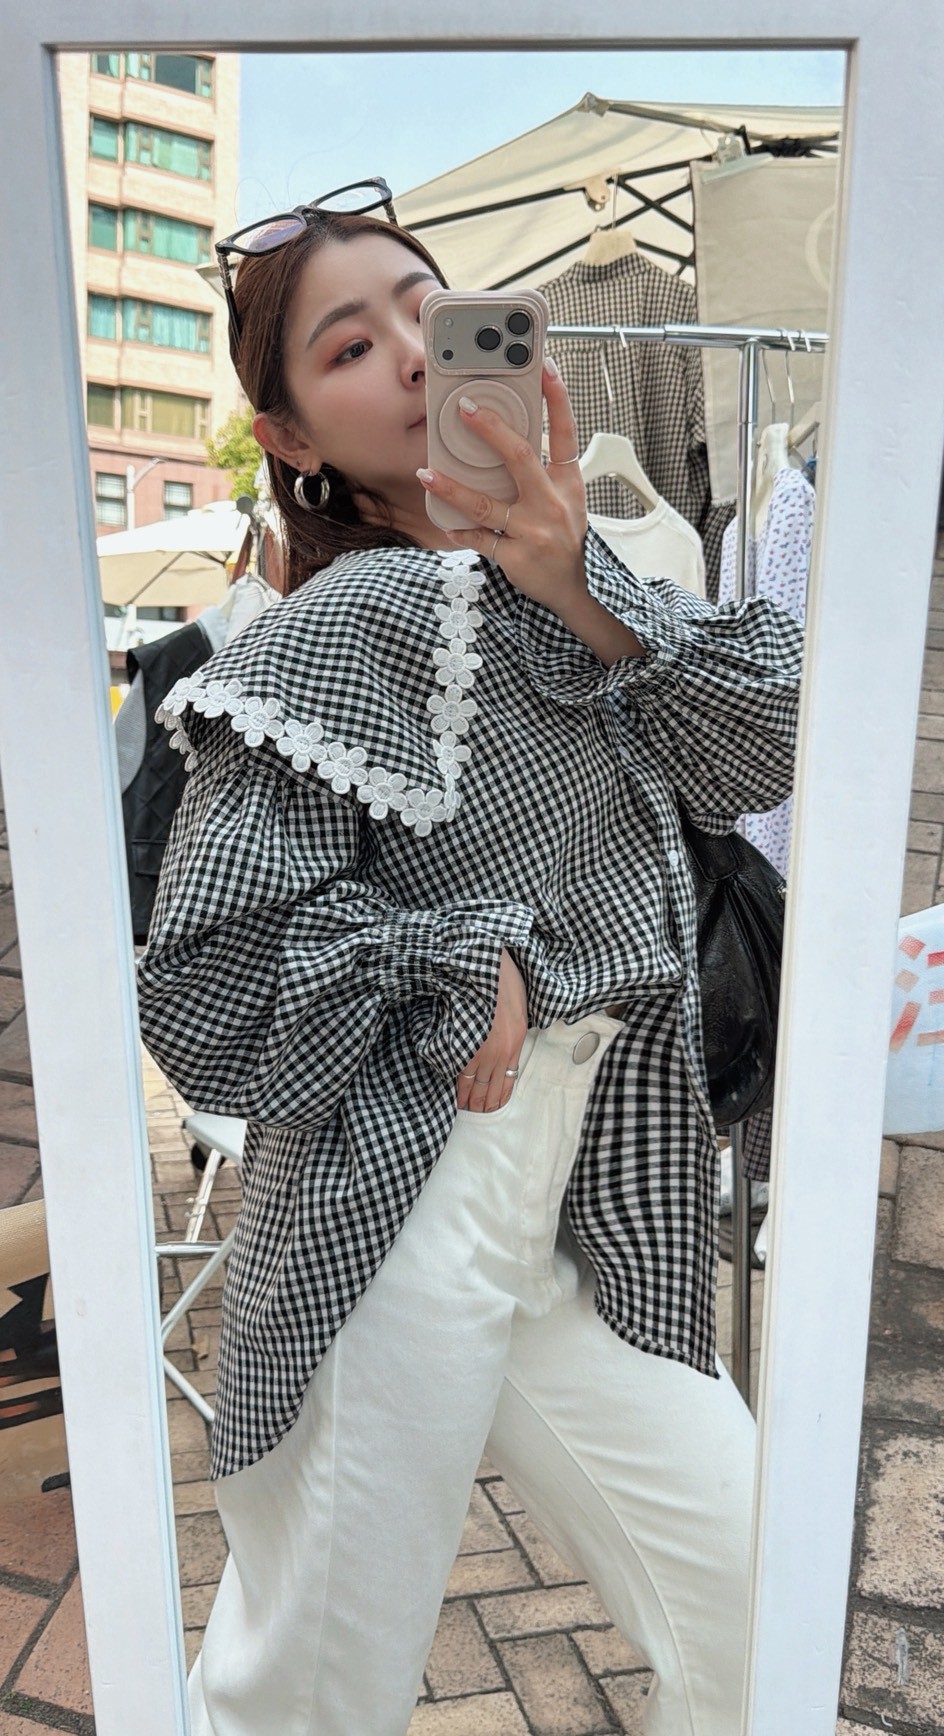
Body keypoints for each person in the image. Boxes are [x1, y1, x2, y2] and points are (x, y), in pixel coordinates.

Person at [136, 178, 802, 1736]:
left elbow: (766, 745)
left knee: (757, 1591)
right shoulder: (345, 620)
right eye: (347, 348)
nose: (408, 355)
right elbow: (204, 984)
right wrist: (445, 958)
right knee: (316, 1691)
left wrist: (574, 571)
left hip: (585, 1199)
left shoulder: (577, 579)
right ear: (292, 437)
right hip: (401, 1202)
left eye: (425, 316)